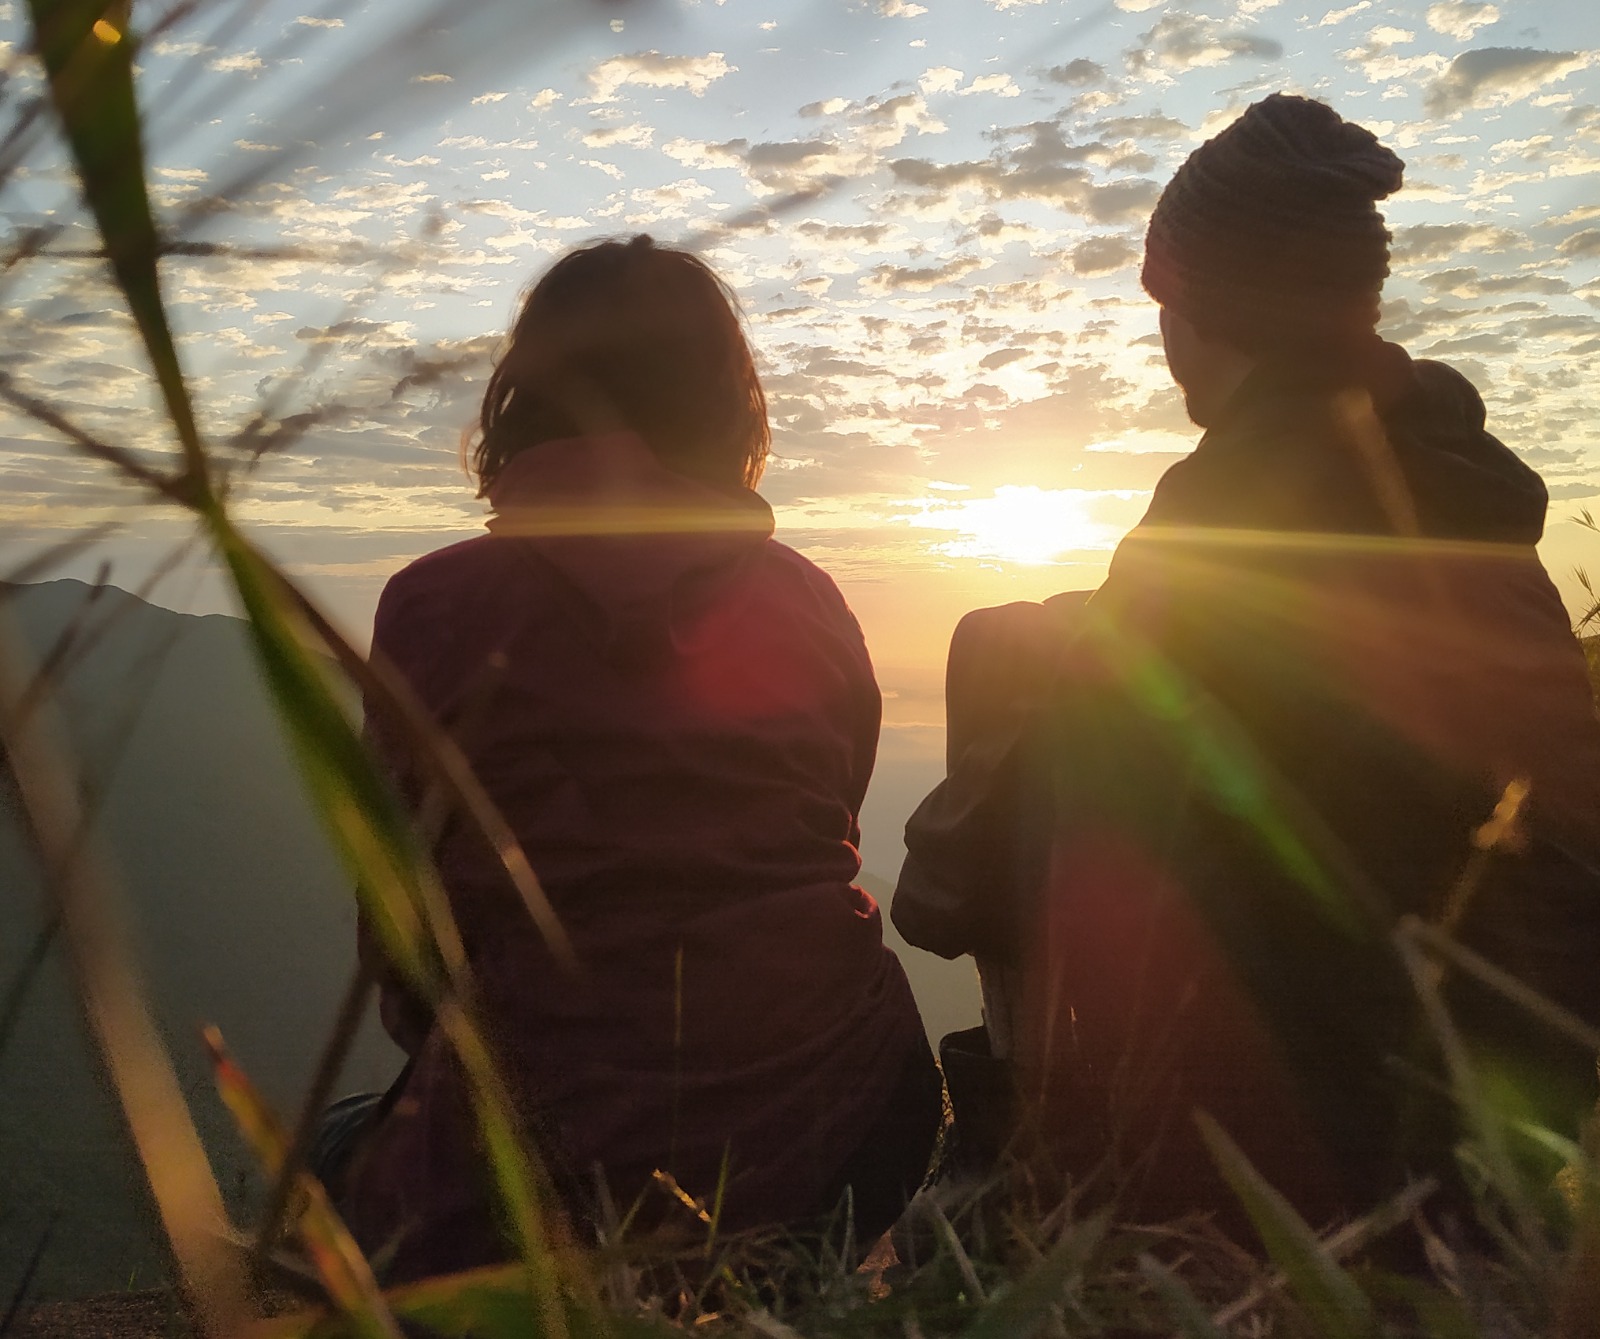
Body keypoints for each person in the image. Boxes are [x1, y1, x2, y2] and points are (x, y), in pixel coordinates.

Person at [893, 95, 1600, 1230]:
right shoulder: (1484, 530)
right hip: (1510, 1137)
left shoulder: (1212, 529)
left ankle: (1043, 1190)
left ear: (1197, 311)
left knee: (1009, 646)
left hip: (1293, 1175)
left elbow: (945, 889)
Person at [334, 235, 940, 1280]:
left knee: (334, 1152)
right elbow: (822, 824)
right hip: (838, 1124)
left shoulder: (432, 607)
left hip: (544, 1167)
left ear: (522, 398)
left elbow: (405, 935)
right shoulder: (804, 601)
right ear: (726, 413)